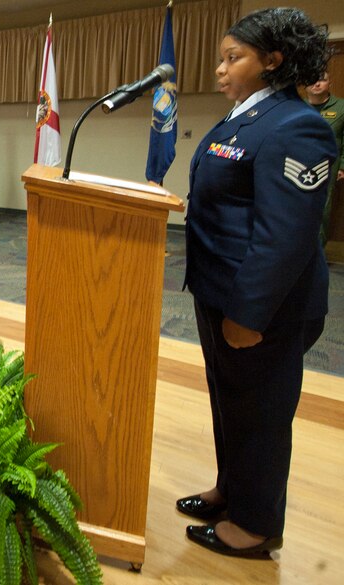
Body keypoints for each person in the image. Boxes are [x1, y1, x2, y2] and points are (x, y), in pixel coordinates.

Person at [179, 8, 336, 557]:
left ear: (273, 61)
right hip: (219, 289)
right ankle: (232, 489)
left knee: (262, 413)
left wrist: (248, 314)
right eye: (221, 58)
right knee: (230, 402)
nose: (221, 70)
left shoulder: (299, 126)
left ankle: (256, 523)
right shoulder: (242, 119)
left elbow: (284, 237)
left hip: (264, 305)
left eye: (233, 58)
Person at [304, 73, 344, 245]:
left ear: (330, 82)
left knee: (322, 208)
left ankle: (317, 253)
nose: (317, 83)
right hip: (297, 164)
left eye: (322, 79)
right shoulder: (297, 107)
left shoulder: (341, 107)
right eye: (312, 79)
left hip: (328, 165)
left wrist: (343, 165)